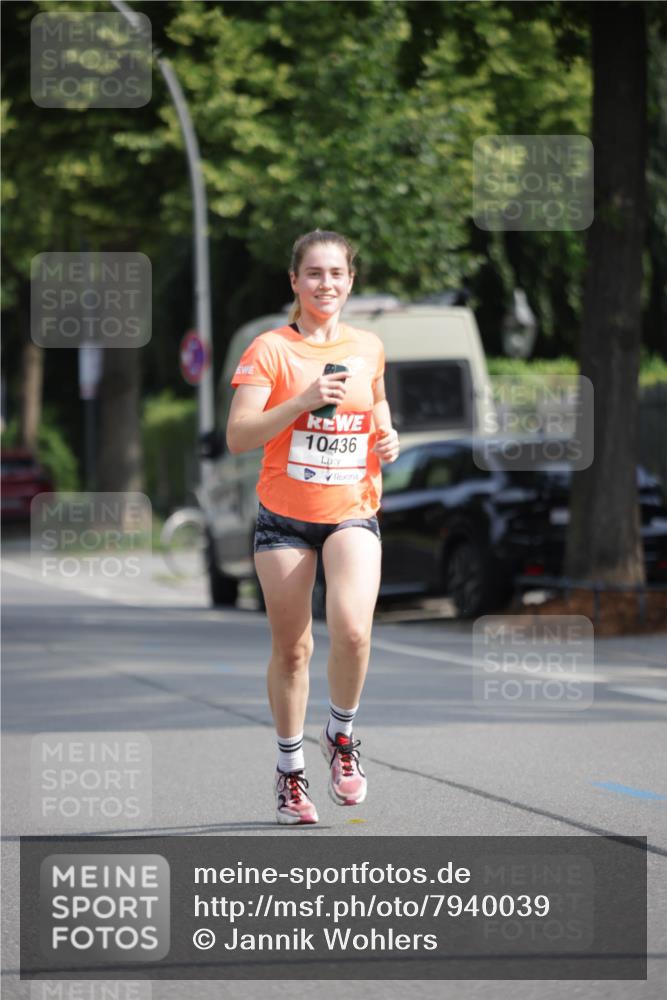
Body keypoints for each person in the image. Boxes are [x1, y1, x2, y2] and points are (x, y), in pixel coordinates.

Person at [226, 229, 400, 825]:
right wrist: (301, 401)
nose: (327, 284)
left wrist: (387, 433)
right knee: (293, 650)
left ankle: (342, 737)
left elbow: (375, 403)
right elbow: (239, 437)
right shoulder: (268, 349)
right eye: (315, 274)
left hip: (352, 508)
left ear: (351, 282)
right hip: (284, 519)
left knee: (353, 631)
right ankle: (290, 771)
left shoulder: (369, 346)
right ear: (295, 282)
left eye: (337, 274)